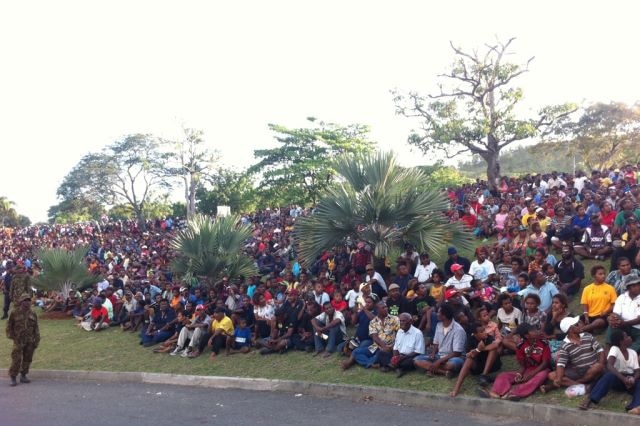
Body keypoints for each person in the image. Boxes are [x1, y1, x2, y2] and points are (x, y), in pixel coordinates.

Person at [478, 323, 550, 401]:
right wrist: (520, 374)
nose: (536, 332)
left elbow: (545, 363)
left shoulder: (543, 343)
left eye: (535, 330)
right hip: (527, 370)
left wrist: (531, 375)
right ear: (526, 336)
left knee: (539, 377)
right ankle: (496, 392)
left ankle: (514, 393)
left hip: (541, 370)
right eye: (532, 331)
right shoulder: (521, 346)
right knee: (503, 375)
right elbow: (523, 365)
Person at [580, 329, 640, 413]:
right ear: (621, 341)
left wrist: (633, 379)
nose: (630, 338)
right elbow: (609, 366)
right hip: (618, 378)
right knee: (609, 375)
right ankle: (590, 399)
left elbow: (637, 370)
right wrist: (623, 379)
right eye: (626, 336)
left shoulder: (633, 352)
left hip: (630, 380)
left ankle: (635, 407)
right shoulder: (615, 349)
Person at [542, 316, 605, 393]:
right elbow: (561, 364)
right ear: (570, 330)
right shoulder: (565, 345)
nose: (580, 325)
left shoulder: (587, 336)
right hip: (578, 371)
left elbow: (600, 350)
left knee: (597, 367)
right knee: (552, 375)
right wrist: (558, 379)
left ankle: (578, 384)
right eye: (577, 324)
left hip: (592, 369)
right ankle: (583, 386)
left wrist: (601, 364)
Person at [449, 322, 502, 397]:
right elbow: (468, 355)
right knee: (469, 359)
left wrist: (481, 349)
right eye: (481, 332)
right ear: (475, 334)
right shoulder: (471, 340)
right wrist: (478, 350)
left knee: (493, 350)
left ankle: (484, 375)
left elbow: (495, 345)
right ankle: (456, 389)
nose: (485, 332)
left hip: (492, 365)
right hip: (478, 366)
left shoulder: (488, 337)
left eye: (484, 330)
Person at [414, 304, 466, 377]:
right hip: (439, 355)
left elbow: (456, 353)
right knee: (416, 360)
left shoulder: (458, 330)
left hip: (454, 358)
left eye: (438, 312)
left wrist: (438, 361)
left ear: (444, 315)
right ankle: (443, 372)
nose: (436, 314)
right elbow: (436, 342)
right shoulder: (439, 325)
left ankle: (430, 368)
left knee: (450, 365)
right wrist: (433, 354)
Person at [6, 293, 39, 387]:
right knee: (16, 358)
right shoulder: (14, 312)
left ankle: (23, 375)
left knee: (27, 359)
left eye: (29, 300)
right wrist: (12, 336)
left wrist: (36, 340)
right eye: (25, 300)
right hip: (18, 340)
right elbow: (9, 326)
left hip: (30, 340)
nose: (27, 302)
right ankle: (13, 377)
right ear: (21, 301)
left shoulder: (33, 313)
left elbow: (36, 328)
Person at [607, 275, 640, 352]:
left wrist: (624, 323)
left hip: (638, 329)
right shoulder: (622, 297)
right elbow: (616, 313)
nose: (638, 287)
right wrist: (614, 319)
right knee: (612, 325)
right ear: (628, 288)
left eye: (639, 284)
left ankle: (628, 355)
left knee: (636, 347)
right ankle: (608, 353)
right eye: (634, 286)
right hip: (623, 325)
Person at [580, 265, 617, 334]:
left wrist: (606, 312)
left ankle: (582, 330)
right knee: (578, 320)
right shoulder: (587, 289)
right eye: (600, 274)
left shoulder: (610, 288)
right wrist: (586, 316)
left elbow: (614, 304)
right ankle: (589, 330)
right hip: (590, 315)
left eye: (604, 274)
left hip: (603, 316)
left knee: (598, 322)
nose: (603, 276)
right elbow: (585, 304)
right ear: (594, 276)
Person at [391, 313, 425, 378]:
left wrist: (402, 358)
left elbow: (418, 351)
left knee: (408, 362)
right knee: (382, 353)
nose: (401, 323)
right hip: (400, 355)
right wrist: (395, 357)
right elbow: (395, 347)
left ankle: (395, 367)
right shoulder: (399, 332)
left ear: (411, 321)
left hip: (410, 357)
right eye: (400, 321)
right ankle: (397, 367)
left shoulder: (417, 333)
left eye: (404, 321)